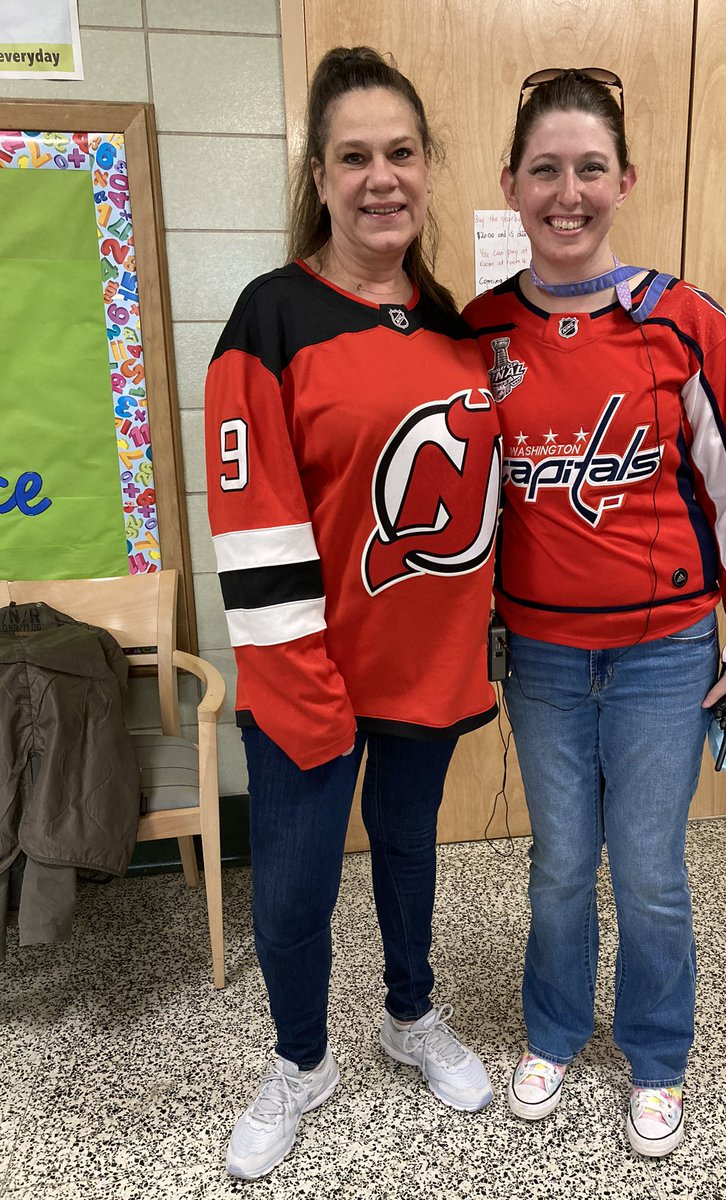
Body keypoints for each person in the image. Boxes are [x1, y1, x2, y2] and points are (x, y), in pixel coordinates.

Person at [463, 68, 726, 1156]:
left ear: (624, 180)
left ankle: (656, 1055)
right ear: (510, 183)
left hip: (665, 658)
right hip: (543, 660)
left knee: (648, 871)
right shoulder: (480, 334)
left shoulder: (683, 323)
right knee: (560, 860)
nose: (568, 191)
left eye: (589, 168)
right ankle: (551, 1030)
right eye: (545, 169)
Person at [205, 46, 502, 1181]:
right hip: (307, 679)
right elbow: (255, 521)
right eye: (355, 157)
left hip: (424, 672)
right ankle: (301, 1060)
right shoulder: (269, 317)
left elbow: (474, 506)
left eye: (401, 153)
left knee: (412, 856)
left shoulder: (454, 326)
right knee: (290, 889)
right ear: (320, 177)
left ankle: (411, 1017)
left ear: (427, 169)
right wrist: (302, 684)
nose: (382, 176)